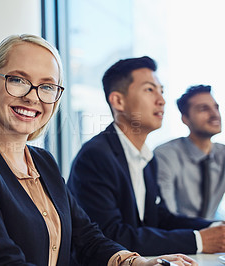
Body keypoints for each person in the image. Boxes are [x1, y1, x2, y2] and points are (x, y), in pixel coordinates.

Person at [0, 35, 196, 265]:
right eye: (18, 80)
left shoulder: (43, 161)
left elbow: (87, 239)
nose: (33, 97)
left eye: (47, 86)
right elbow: (1, 258)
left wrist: (137, 262)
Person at [67, 56, 225, 256]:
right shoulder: (95, 156)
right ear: (118, 101)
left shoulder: (146, 157)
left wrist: (214, 227)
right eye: (150, 90)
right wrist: (197, 241)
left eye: (162, 91)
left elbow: (160, 218)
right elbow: (109, 236)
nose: (162, 100)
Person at [154, 85, 225, 219]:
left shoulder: (222, 154)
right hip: (178, 236)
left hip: (215, 233)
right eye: (204, 109)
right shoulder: (166, 155)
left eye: (216, 107)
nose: (215, 114)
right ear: (185, 118)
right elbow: (168, 217)